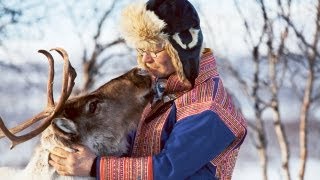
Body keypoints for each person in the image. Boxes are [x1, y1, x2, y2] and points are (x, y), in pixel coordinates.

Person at [49, 0, 247, 179]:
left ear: (183, 48)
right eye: (141, 50)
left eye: (154, 50)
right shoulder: (159, 92)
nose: (145, 59)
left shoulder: (209, 108)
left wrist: (94, 167)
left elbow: (168, 169)